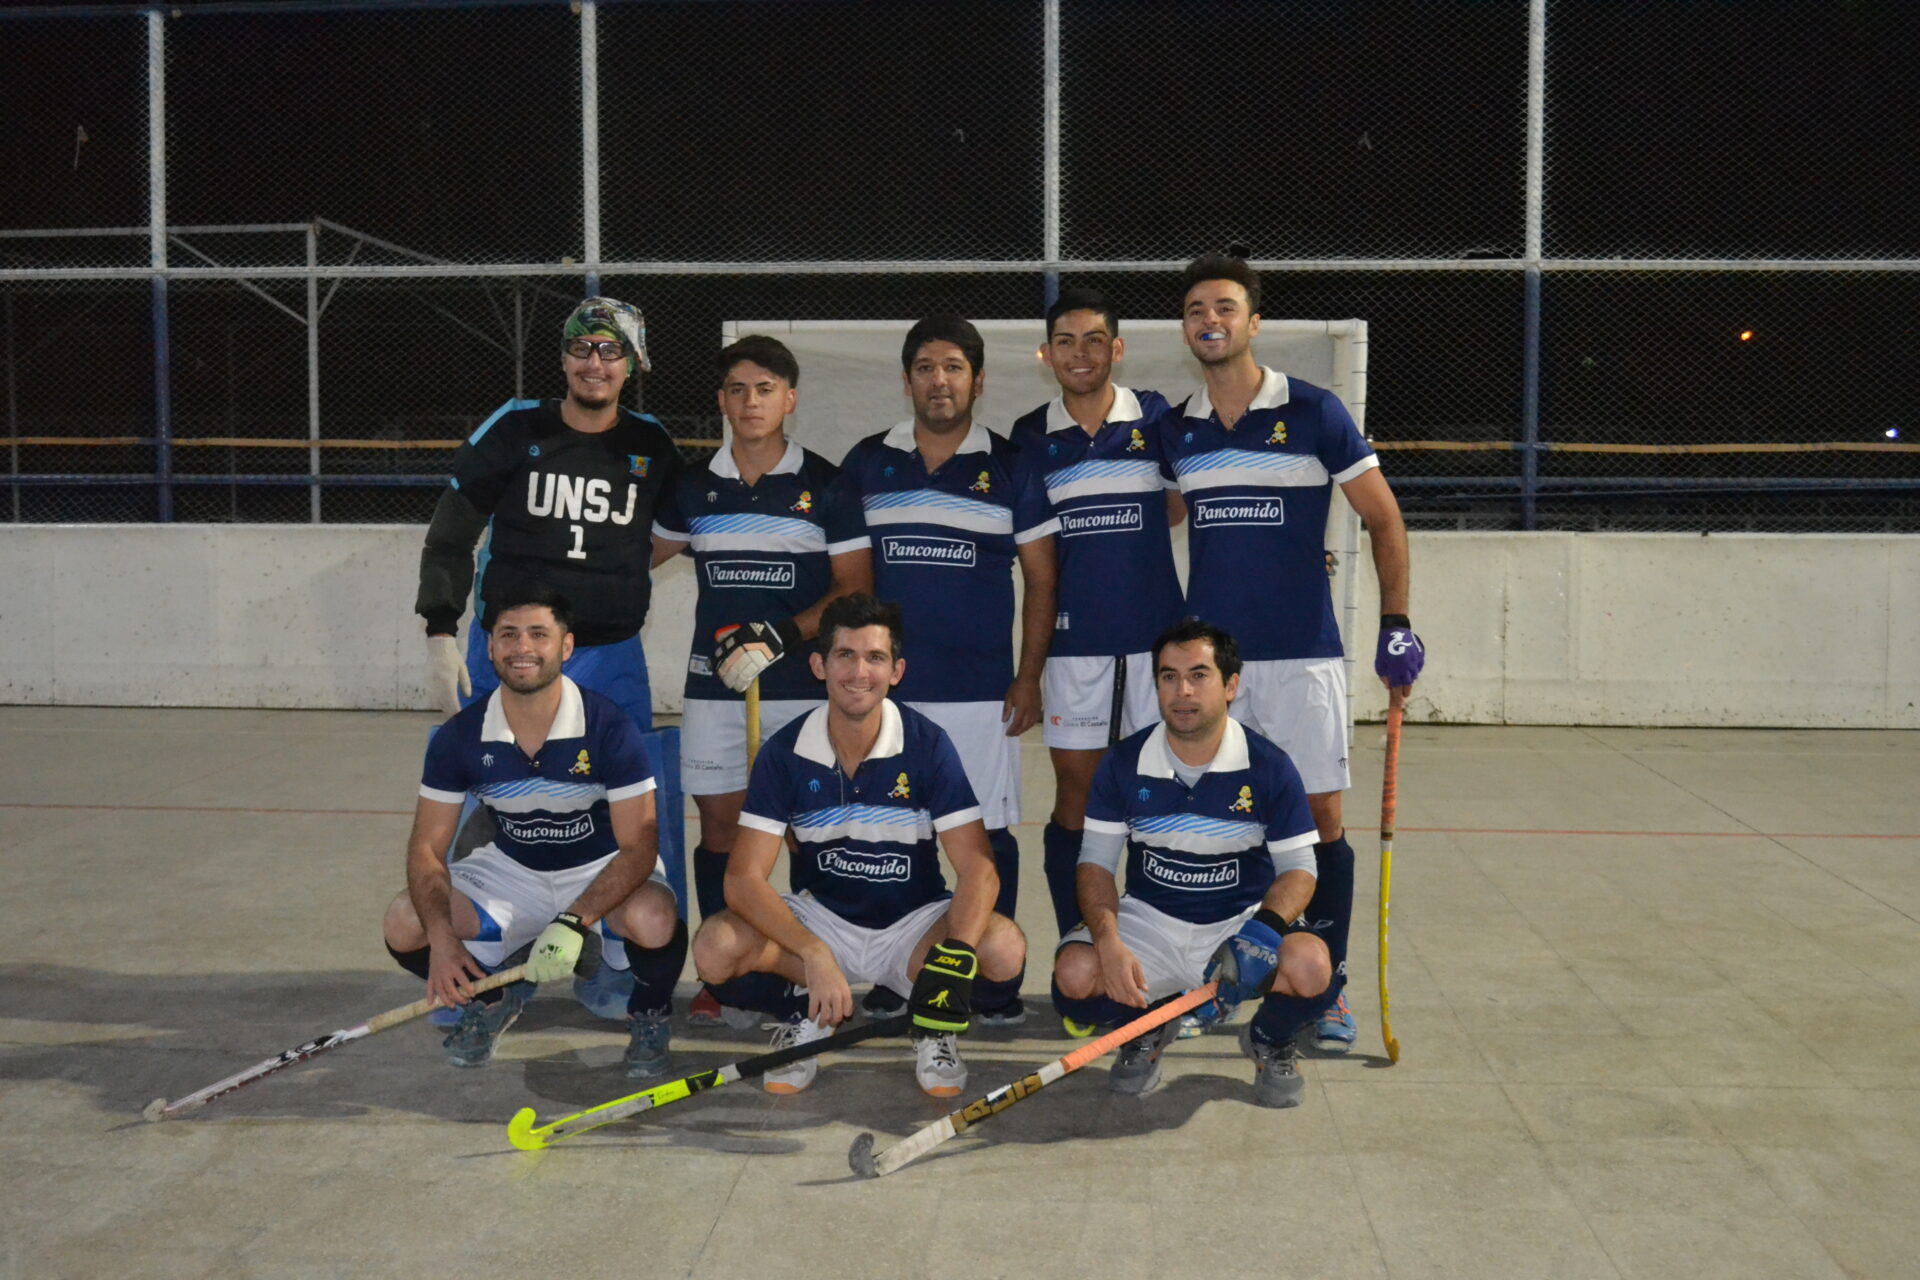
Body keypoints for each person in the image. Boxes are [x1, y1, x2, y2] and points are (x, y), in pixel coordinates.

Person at [1165, 253, 1426, 1052]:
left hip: (1303, 654)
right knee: (1220, 820)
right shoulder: (1176, 429)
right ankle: (1221, 981)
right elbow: (1148, 522)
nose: (1211, 320)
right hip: (1215, 670)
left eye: (1225, 307)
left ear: (1253, 321)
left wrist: (1396, 623)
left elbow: (1383, 517)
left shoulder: (1314, 411)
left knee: (1320, 820)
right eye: (1196, 310)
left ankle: (1325, 987)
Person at [689, 594, 1028, 1097]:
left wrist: (953, 957)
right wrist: (812, 952)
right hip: (823, 922)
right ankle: (808, 1010)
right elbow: (741, 880)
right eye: (845, 655)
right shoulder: (784, 752)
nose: (859, 672)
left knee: (1003, 948)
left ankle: (932, 1025)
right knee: (714, 948)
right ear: (819, 666)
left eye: (875, 657)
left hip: (913, 927)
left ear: (897, 671)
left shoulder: (928, 744)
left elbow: (979, 868)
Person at [831, 315, 1056, 1024]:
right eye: (926, 368)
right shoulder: (869, 461)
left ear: (977, 381)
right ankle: (905, 971)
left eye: (954, 367)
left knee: (987, 836)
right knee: (900, 836)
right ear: (907, 382)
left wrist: (1028, 675)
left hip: (980, 692)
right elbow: (848, 580)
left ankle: (990, 983)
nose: (940, 381)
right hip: (886, 695)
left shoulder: (1012, 465)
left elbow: (1042, 579)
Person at [649, 335, 871, 1026]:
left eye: (766, 389)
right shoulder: (691, 486)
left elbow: (854, 586)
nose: (751, 402)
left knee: (807, 830)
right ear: (721, 401)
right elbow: (631, 559)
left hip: (801, 687)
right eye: (738, 389)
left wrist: (779, 636)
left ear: (790, 399)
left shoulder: (827, 483)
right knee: (721, 827)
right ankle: (728, 972)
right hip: (714, 688)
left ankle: (810, 965)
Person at [380, 588, 687, 1077]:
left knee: (653, 917)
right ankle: (490, 1000)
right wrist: (439, 937)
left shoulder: (609, 726)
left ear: (566, 646)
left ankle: (649, 1014)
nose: (522, 647)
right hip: (511, 871)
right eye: (508, 635)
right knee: (405, 921)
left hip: (599, 867)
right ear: (490, 647)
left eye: (538, 634)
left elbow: (639, 847)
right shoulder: (462, 735)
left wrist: (572, 921)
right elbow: (426, 848)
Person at [1050, 620, 1329, 1106]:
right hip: (1151, 921)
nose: (1183, 691)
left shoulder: (1269, 765)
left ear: (1231, 685)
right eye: (1169, 676)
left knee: (1311, 968)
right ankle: (1147, 1028)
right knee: (1075, 974)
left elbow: (1300, 868)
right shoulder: (1123, 762)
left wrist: (1261, 934)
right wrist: (1108, 940)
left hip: (1238, 921)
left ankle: (1269, 1037)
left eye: (1199, 675)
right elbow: (1094, 864)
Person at [1008, 289, 1186, 1006]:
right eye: (1065, 341)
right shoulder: (1030, 435)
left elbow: (1180, 506)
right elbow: (1036, 563)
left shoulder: (1157, 418)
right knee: (1077, 800)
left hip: (1155, 649)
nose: (1079, 353)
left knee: (1156, 801)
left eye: (1092, 340)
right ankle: (1078, 955)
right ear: (1046, 354)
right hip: (1074, 650)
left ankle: (1151, 961)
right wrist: (1028, 671)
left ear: (1117, 348)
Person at [416, 296, 681, 733]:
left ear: (632, 364)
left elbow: (688, 525)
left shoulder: (651, 443)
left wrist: (622, 562)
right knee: (493, 773)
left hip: (611, 654)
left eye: (610, 350)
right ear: (563, 359)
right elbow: (450, 536)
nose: (594, 363)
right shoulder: (514, 428)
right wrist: (440, 634)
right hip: (514, 650)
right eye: (581, 348)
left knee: (622, 776)